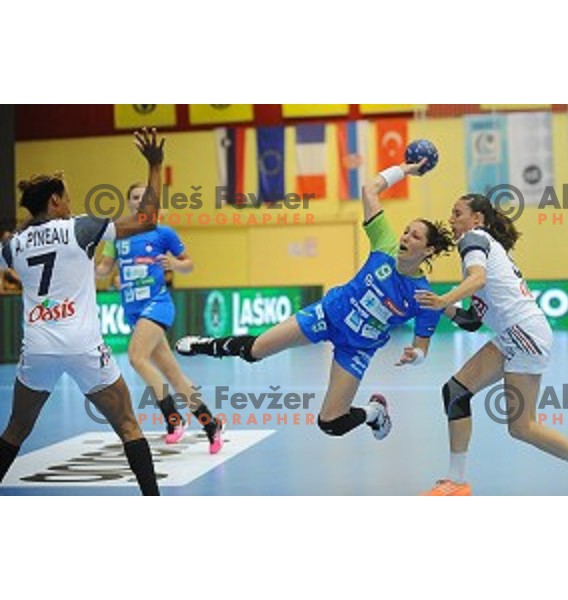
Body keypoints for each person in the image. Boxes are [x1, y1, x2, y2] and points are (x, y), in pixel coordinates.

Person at [176, 161, 454, 441]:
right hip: (327, 315)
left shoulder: (425, 296)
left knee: (331, 423)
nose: (405, 236)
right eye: (406, 230)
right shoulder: (385, 243)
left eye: (415, 236)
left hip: (357, 348)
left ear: (428, 249)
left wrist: (415, 356)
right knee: (254, 351)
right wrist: (405, 170)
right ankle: (204, 344)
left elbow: (422, 348)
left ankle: (373, 412)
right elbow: (370, 189)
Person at [0, 128, 166, 496]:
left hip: (38, 347)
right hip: (83, 345)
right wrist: (155, 166)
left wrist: (25, 228)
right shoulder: (80, 228)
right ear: (55, 201)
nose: (71, 204)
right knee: (127, 426)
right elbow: (147, 220)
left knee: (15, 430)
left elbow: (13, 246)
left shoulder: (14, 246)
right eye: (67, 199)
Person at [416, 193, 568, 496]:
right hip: (515, 334)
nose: (451, 219)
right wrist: (442, 308)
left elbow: (477, 280)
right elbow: (473, 321)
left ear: (477, 219)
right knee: (456, 392)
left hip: (524, 333)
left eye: (457, 212)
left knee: (522, 426)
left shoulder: (473, 239)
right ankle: (456, 482)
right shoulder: (483, 247)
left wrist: (445, 297)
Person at [95, 184, 223, 453]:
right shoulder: (116, 235)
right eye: (135, 197)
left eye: (145, 197)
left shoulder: (163, 232)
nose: (140, 202)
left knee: (136, 357)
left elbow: (189, 263)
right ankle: (210, 423)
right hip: (133, 310)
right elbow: (104, 269)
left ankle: (173, 420)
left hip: (157, 304)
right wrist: (86, 265)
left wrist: (175, 265)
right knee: (174, 375)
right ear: (129, 203)